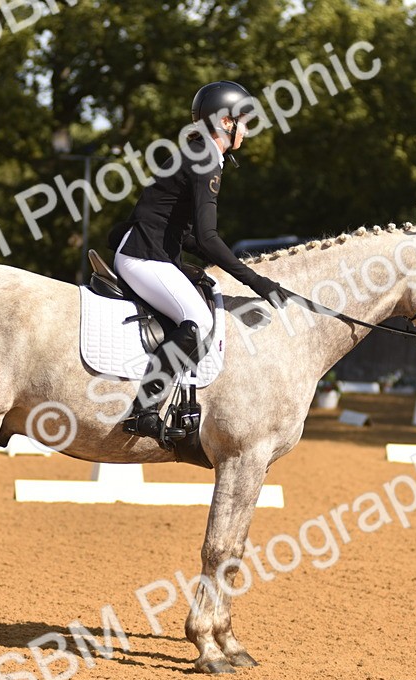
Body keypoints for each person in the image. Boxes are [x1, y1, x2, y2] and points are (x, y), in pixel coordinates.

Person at [109, 80, 294, 442]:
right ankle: (144, 410)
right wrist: (258, 282)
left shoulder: (198, 152)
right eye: (244, 120)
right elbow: (208, 239)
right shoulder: (206, 158)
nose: (247, 129)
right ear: (227, 123)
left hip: (150, 251)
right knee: (196, 320)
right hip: (143, 256)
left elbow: (188, 235)